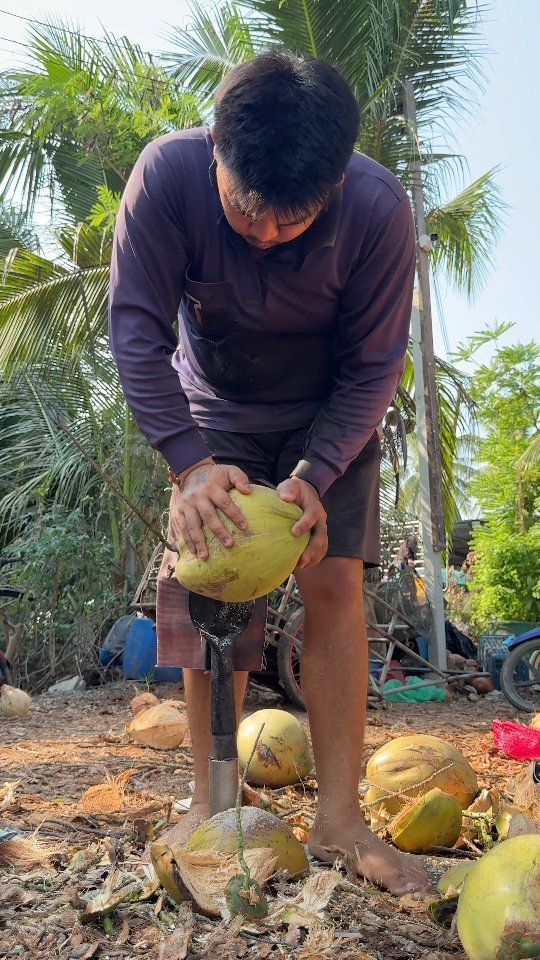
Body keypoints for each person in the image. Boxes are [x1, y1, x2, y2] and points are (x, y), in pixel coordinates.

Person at [109, 50, 431, 894]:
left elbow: (373, 368)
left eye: (289, 223)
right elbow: (137, 331)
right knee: (211, 586)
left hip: (330, 414)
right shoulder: (166, 179)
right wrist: (188, 466)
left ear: (332, 185)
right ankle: (211, 800)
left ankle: (339, 820)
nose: (262, 234)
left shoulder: (376, 211)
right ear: (214, 146)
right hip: (213, 410)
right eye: (245, 211)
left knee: (333, 585)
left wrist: (318, 474)